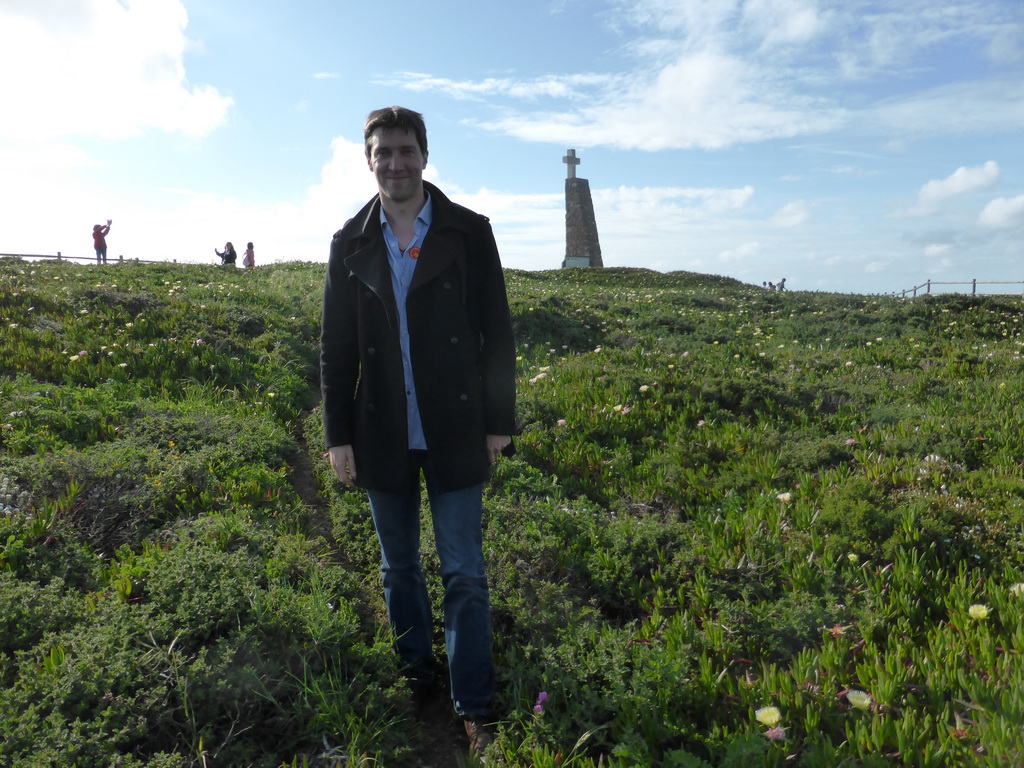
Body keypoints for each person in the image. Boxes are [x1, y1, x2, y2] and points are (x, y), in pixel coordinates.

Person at [319, 106, 516, 757]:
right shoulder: (349, 241)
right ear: (369, 159)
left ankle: (474, 704)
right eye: (384, 152)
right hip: (381, 429)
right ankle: (415, 676)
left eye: (406, 151)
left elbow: (497, 332)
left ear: (424, 156)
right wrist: (337, 434)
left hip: (457, 425)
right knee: (398, 566)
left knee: (464, 571)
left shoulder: (468, 231)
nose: (396, 163)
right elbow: (336, 347)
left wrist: (497, 422)